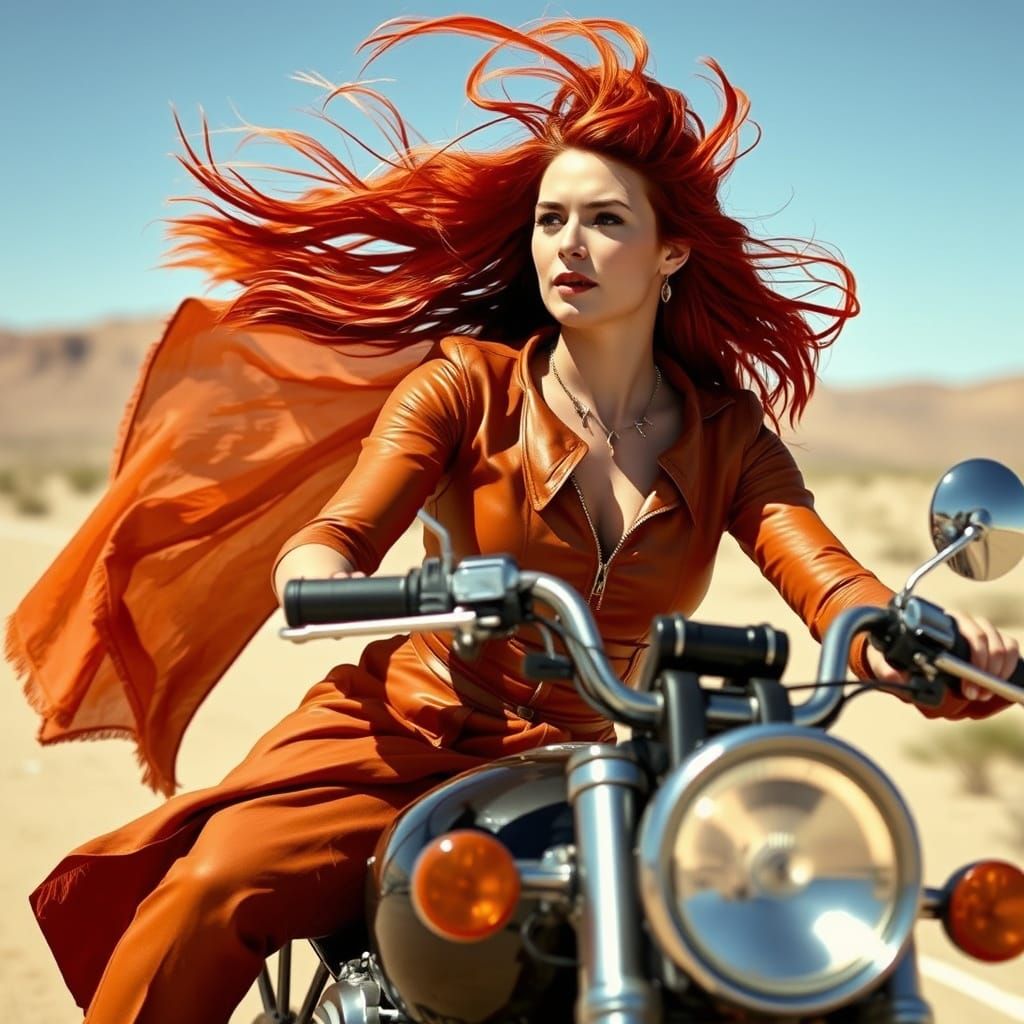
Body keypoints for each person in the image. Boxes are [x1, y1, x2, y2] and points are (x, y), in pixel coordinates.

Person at [8, 15, 1018, 1024]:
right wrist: (316, 571)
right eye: (550, 219)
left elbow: (829, 579)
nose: (568, 244)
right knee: (214, 887)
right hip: (405, 736)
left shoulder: (729, 435)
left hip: (598, 763)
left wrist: (918, 644)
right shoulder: (464, 387)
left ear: (670, 253)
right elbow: (343, 530)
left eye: (605, 220)